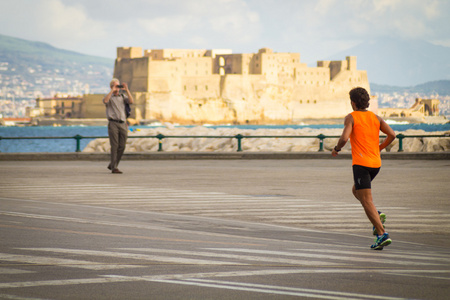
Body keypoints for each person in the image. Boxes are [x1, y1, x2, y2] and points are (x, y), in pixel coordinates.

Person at [331, 87, 396, 250]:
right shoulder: (375, 117)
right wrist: (379, 148)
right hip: (376, 164)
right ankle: (377, 215)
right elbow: (392, 135)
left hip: (361, 165)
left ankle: (382, 234)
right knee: (356, 191)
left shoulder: (351, 117)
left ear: (352, 102)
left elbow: (344, 138)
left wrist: (336, 149)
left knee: (366, 201)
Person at [103, 78, 134, 174]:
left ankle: (113, 164)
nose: (118, 88)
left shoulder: (122, 96)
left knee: (122, 146)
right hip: (113, 123)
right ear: (111, 86)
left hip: (123, 123)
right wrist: (112, 90)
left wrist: (127, 90)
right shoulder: (109, 97)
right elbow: (105, 101)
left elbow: (131, 101)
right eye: (116, 86)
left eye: (118, 86)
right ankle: (114, 167)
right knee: (114, 146)